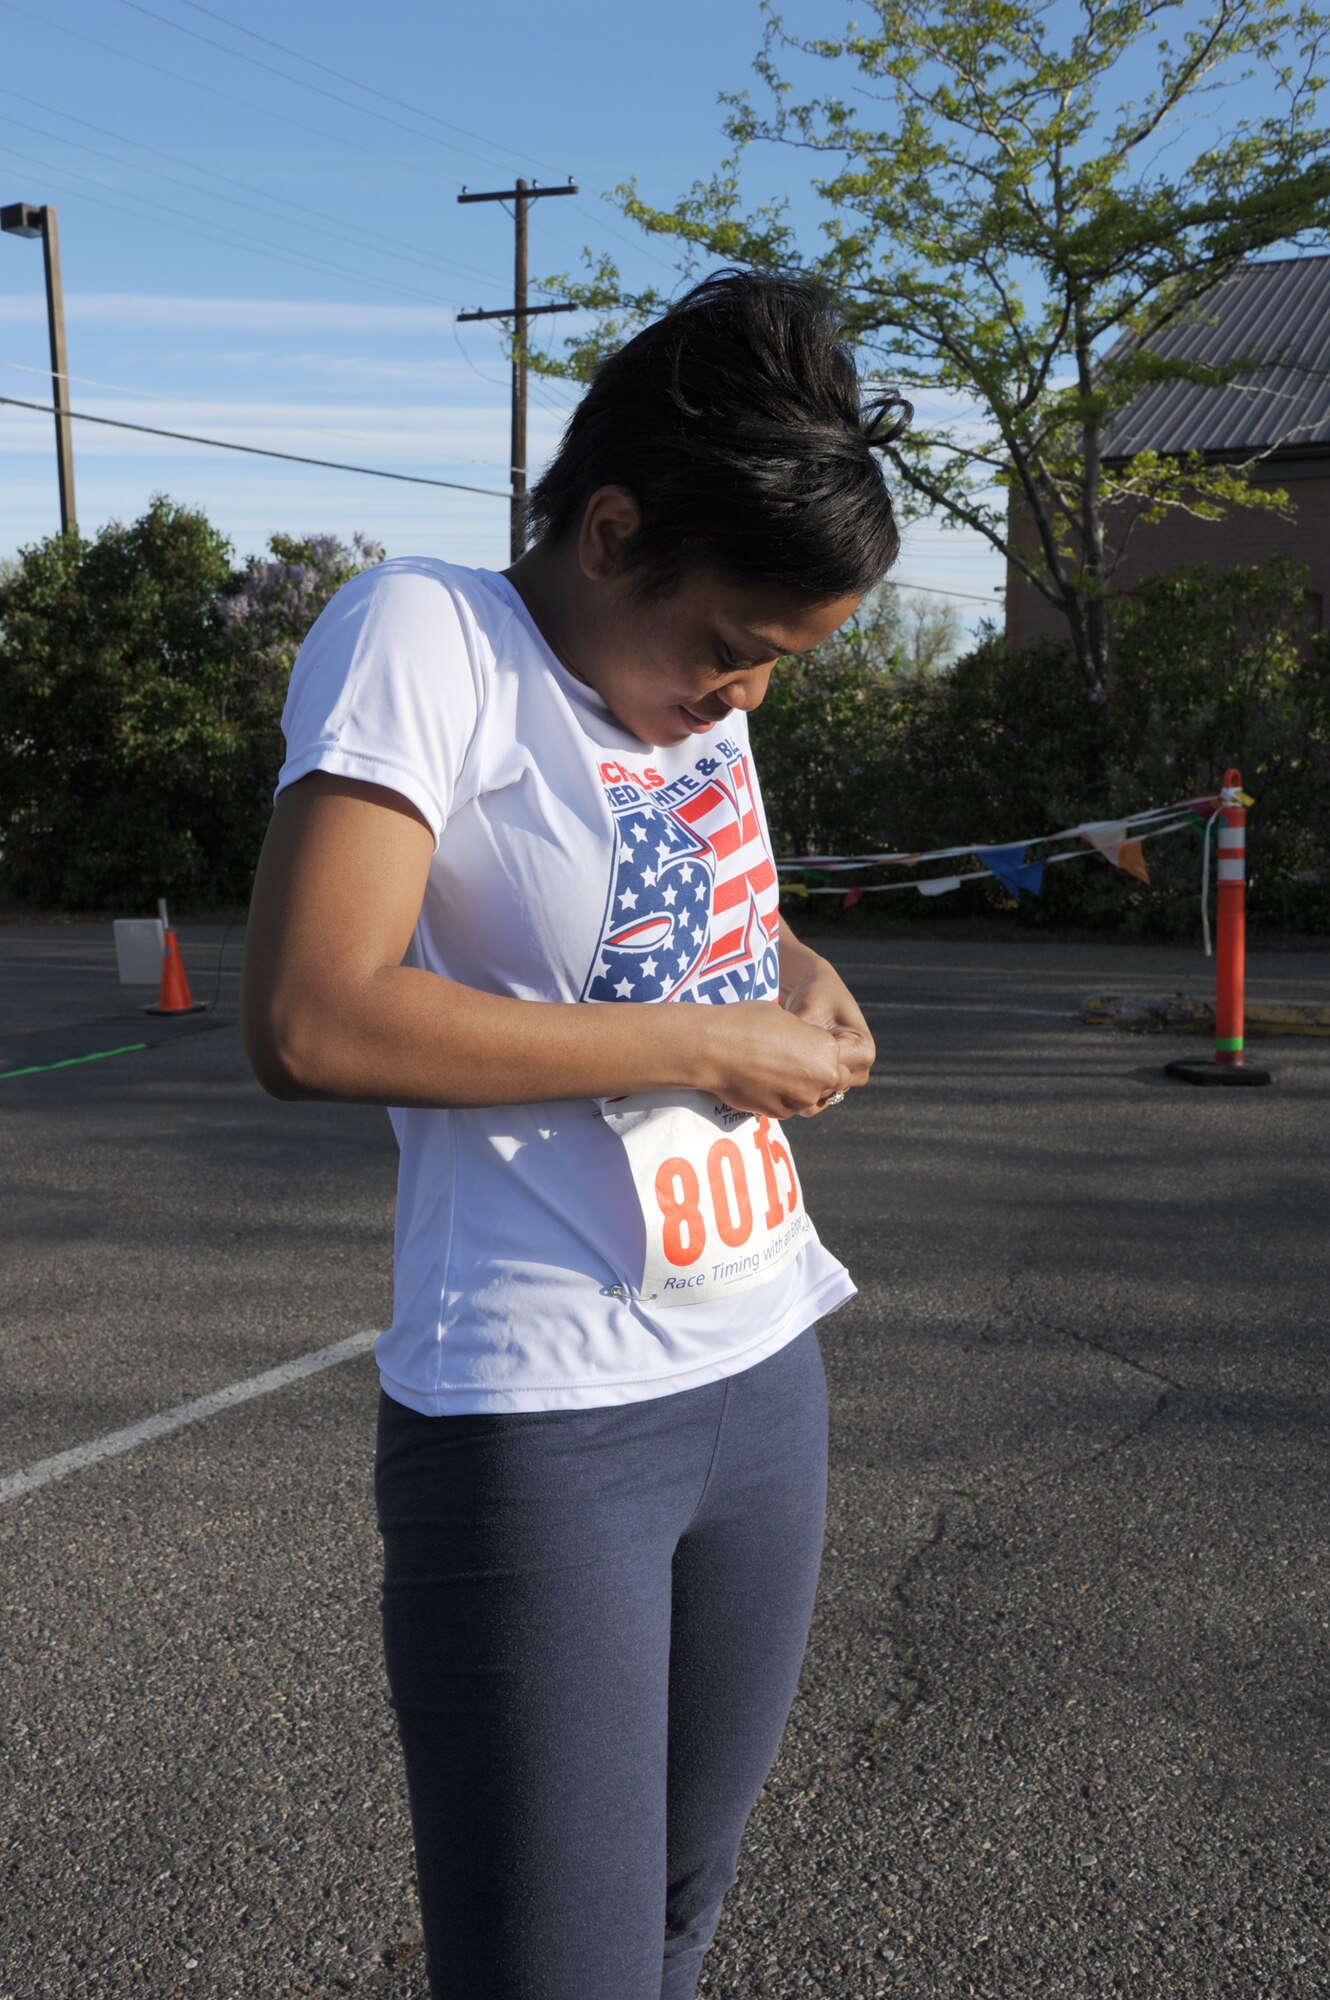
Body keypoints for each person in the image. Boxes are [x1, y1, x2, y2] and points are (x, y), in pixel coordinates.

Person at [240, 265, 910, 2000]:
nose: (742, 700)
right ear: (609, 529)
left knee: (677, 1926)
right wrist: (705, 1040)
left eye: (777, 671)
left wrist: (801, 976)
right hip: (541, 1415)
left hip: (761, 1362)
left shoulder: (676, 697)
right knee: (556, 1968)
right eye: (731, 654)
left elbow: (709, 921)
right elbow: (314, 1016)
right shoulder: (429, 635)